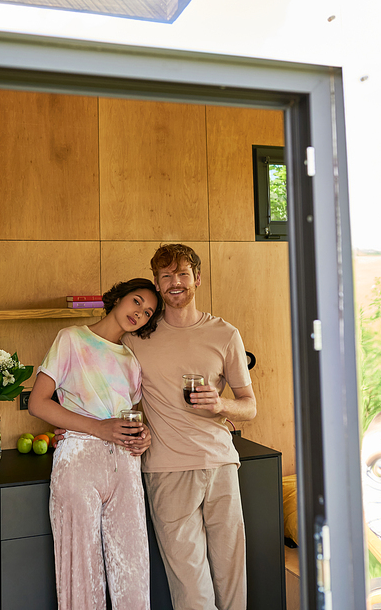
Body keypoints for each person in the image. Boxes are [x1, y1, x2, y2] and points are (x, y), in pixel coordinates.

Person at [122, 243, 257, 610]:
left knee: (232, 575)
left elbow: (250, 406)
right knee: (190, 587)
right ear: (157, 283)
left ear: (197, 278)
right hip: (167, 469)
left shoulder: (225, 334)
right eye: (166, 276)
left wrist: (220, 403)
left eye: (182, 274)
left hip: (220, 464)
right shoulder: (136, 338)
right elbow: (120, 397)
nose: (175, 282)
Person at [28, 278, 163, 610]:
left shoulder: (132, 360)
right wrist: (98, 428)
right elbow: (38, 403)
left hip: (126, 465)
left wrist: (141, 435)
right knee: (80, 571)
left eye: (147, 313)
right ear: (118, 298)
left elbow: (126, 414)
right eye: (136, 302)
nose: (140, 313)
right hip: (79, 461)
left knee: (133, 567)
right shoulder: (72, 339)